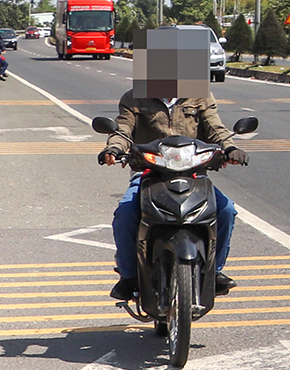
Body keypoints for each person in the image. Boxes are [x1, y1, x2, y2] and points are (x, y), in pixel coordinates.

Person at [98, 86, 246, 302]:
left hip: (193, 174)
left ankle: (214, 273)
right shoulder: (133, 98)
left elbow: (216, 128)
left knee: (226, 211)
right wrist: (114, 149)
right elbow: (122, 130)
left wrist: (230, 148)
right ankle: (129, 277)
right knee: (125, 213)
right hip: (149, 173)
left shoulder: (200, 96)